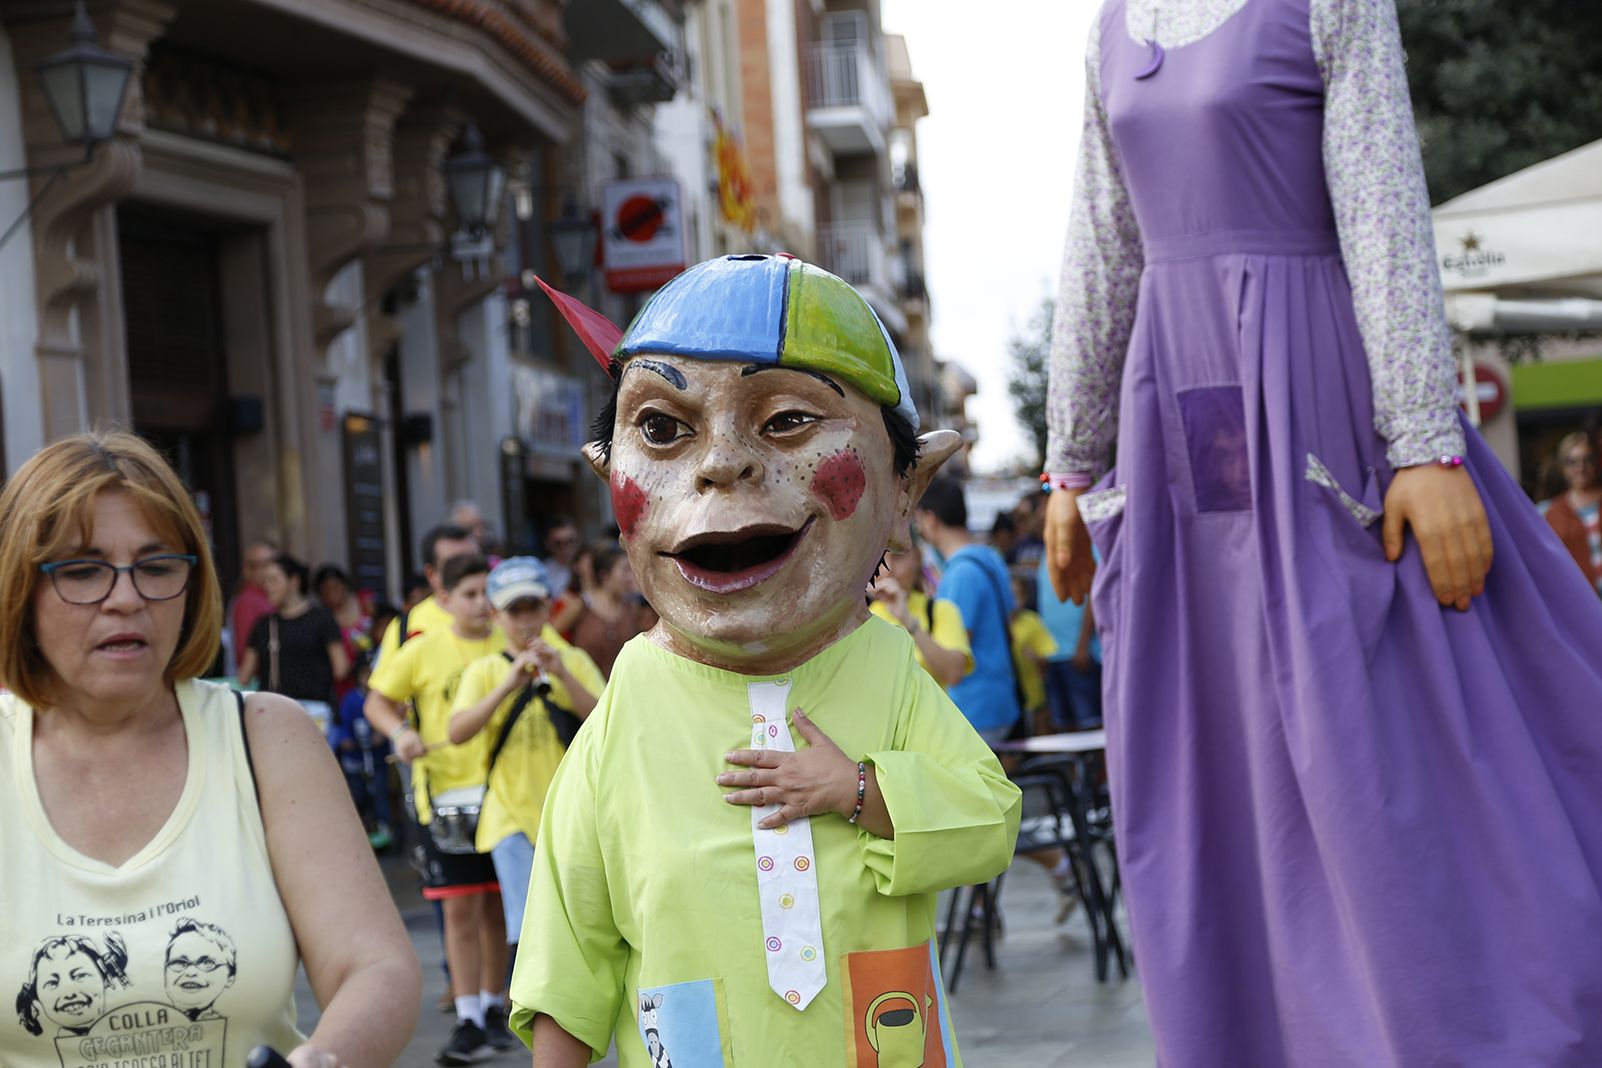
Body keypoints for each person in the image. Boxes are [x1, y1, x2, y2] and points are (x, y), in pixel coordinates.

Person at [1043, 1, 1602, 1062]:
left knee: (1367, 743)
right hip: (1173, 424)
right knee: (1211, 744)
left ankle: (1446, 1024)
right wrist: (1070, 460)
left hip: (1314, 396)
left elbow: (1386, 210)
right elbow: (1103, 243)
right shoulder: (1111, 27)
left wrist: (1427, 442)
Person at [514, 254, 1020, 1066]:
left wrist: (858, 789)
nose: (720, 463)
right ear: (612, 478)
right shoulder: (631, 704)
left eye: (786, 419)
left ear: (905, 485)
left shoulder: (887, 667)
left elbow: (990, 821)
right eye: (663, 428)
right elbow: (567, 950)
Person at [0, 430, 418, 1067]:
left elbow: (375, 966)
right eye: (82, 570)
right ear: (19, 591)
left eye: (157, 566)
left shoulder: (267, 738)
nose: (126, 597)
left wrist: (325, 1059)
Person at [364, 554, 514, 1064]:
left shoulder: (510, 641)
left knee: (498, 905)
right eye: (468, 594)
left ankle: (495, 1007)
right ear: (443, 599)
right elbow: (377, 701)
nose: (480, 604)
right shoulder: (422, 649)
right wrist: (402, 734)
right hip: (446, 798)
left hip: (510, 798)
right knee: (460, 906)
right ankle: (469, 1012)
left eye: (485, 593)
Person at [448, 557, 603, 971]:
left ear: (548, 608)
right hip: (509, 813)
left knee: (576, 921)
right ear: (496, 615)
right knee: (523, 920)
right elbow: (457, 730)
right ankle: (531, 1009)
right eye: (513, 611)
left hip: (570, 813)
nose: (524, 620)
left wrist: (561, 674)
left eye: (532, 608)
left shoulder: (574, 659)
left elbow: (607, 723)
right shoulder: (484, 669)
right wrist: (507, 684)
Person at [916, 477, 1024, 745]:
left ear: (930, 519)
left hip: (974, 709)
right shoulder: (991, 558)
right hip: (1001, 697)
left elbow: (954, 657)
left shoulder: (959, 574)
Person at [239, 553, 348, 736]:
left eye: (273, 580)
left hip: (283, 712)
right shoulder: (319, 618)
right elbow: (341, 668)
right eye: (265, 581)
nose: (268, 587)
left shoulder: (267, 624)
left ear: (294, 581)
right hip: (304, 712)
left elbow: (244, 676)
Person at [867, 543, 972, 689]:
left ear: (917, 557)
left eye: (898, 557)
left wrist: (908, 621)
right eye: (879, 559)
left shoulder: (940, 610)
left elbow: (953, 674)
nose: (888, 569)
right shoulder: (859, 615)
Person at [374, 525, 479, 664]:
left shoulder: (503, 617)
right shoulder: (404, 627)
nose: (467, 572)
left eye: (474, 562)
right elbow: (382, 685)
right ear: (431, 574)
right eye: (454, 565)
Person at [1035, 545, 1101, 731]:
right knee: (1065, 728)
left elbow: (1095, 594)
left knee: (1092, 726)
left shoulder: (1087, 543)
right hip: (1054, 656)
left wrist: (1082, 644)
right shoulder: (1046, 550)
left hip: (1079, 654)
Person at [331, 651, 392, 849]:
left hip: (376, 756)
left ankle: (385, 828)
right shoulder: (350, 700)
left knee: (381, 792)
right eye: (365, 675)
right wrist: (346, 739)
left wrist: (381, 735)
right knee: (358, 794)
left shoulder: (382, 697)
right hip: (355, 757)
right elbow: (343, 724)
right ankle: (362, 829)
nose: (368, 680)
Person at [565, 542, 654, 678]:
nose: (630, 577)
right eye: (625, 570)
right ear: (605, 576)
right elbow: (551, 636)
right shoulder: (581, 605)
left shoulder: (633, 608)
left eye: (631, 570)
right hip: (589, 691)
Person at [1542, 431, 1602, 594]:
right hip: (1581, 600)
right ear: (1563, 468)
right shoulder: (1551, 512)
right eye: (1572, 462)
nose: (1580, 467)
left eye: (1587, 460)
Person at [1007, 572, 1058, 736]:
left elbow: (1048, 653)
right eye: (1009, 594)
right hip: (1008, 696)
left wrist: (1036, 658)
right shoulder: (994, 622)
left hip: (1034, 693)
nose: (1013, 600)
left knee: (1039, 733)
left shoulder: (1032, 621)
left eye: (1018, 595)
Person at [314, 563, 373, 700]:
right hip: (341, 684)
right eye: (326, 591)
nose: (332, 593)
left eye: (336, 587)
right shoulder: (322, 618)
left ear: (345, 585)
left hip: (369, 673)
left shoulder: (365, 603)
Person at [228, 538, 277, 675]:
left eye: (270, 563)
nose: (265, 570)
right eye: (257, 565)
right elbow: (245, 655)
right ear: (246, 569)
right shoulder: (247, 601)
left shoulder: (268, 595)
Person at [540, 519, 581, 599]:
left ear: (578, 540)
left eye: (570, 541)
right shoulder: (542, 571)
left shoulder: (587, 568)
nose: (565, 548)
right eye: (558, 543)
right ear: (548, 544)